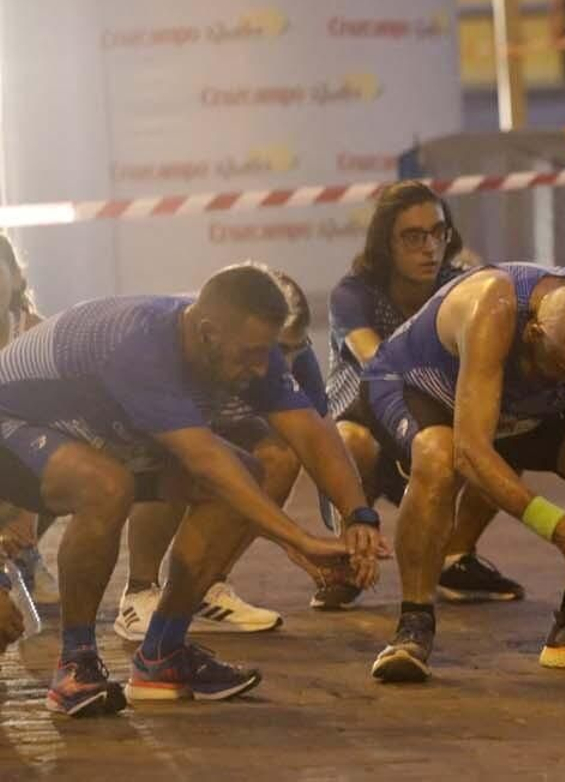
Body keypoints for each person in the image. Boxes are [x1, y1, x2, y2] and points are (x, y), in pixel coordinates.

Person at [0, 264, 383, 717]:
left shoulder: (241, 343)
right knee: (109, 484)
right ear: (207, 334)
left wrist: (359, 515)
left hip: (97, 433)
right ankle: (75, 667)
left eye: (266, 354)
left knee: (245, 472)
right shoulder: (139, 345)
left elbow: (312, 432)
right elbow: (205, 459)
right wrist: (299, 541)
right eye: (251, 355)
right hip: (17, 426)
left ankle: (161, 654)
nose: (261, 368)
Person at [357, 261, 565, 681]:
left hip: (510, 407)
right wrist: (555, 526)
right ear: (534, 332)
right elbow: (471, 452)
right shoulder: (493, 307)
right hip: (417, 386)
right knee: (439, 458)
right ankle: (414, 625)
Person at [322, 181, 521, 609]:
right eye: (413, 237)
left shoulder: (462, 286)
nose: (429, 247)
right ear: (385, 244)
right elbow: (378, 362)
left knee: (503, 439)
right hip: (367, 415)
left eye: (438, 233)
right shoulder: (352, 293)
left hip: (431, 413)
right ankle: (347, 557)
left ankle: (454, 556)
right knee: (350, 443)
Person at [112, 270, 328, 640]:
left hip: (223, 429)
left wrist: (353, 525)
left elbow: (319, 443)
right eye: (276, 350)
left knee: (279, 458)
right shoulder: (190, 343)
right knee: (179, 459)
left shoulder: (294, 361)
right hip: (177, 427)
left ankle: (207, 585)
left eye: (295, 349)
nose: (282, 364)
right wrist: (298, 541)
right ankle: (139, 592)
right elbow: (202, 456)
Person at [0, 233, 53, 607]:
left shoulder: (35, 332)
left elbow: (48, 421)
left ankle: (23, 550)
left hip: (20, 453)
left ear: (16, 278)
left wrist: (25, 516)